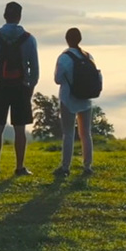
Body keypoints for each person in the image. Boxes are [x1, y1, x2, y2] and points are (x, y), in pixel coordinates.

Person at [0, 1, 39, 175]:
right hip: (20, 88)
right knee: (20, 129)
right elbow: (34, 68)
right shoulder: (29, 39)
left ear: (5, 16)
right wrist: (30, 86)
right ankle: (19, 167)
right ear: (19, 17)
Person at [53, 27, 101, 176]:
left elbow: (58, 79)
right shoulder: (88, 56)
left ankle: (65, 167)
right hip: (86, 99)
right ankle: (87, 166)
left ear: (67, 39)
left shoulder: (64, 58)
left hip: (69, 98)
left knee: (68, 133)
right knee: (86, 133)